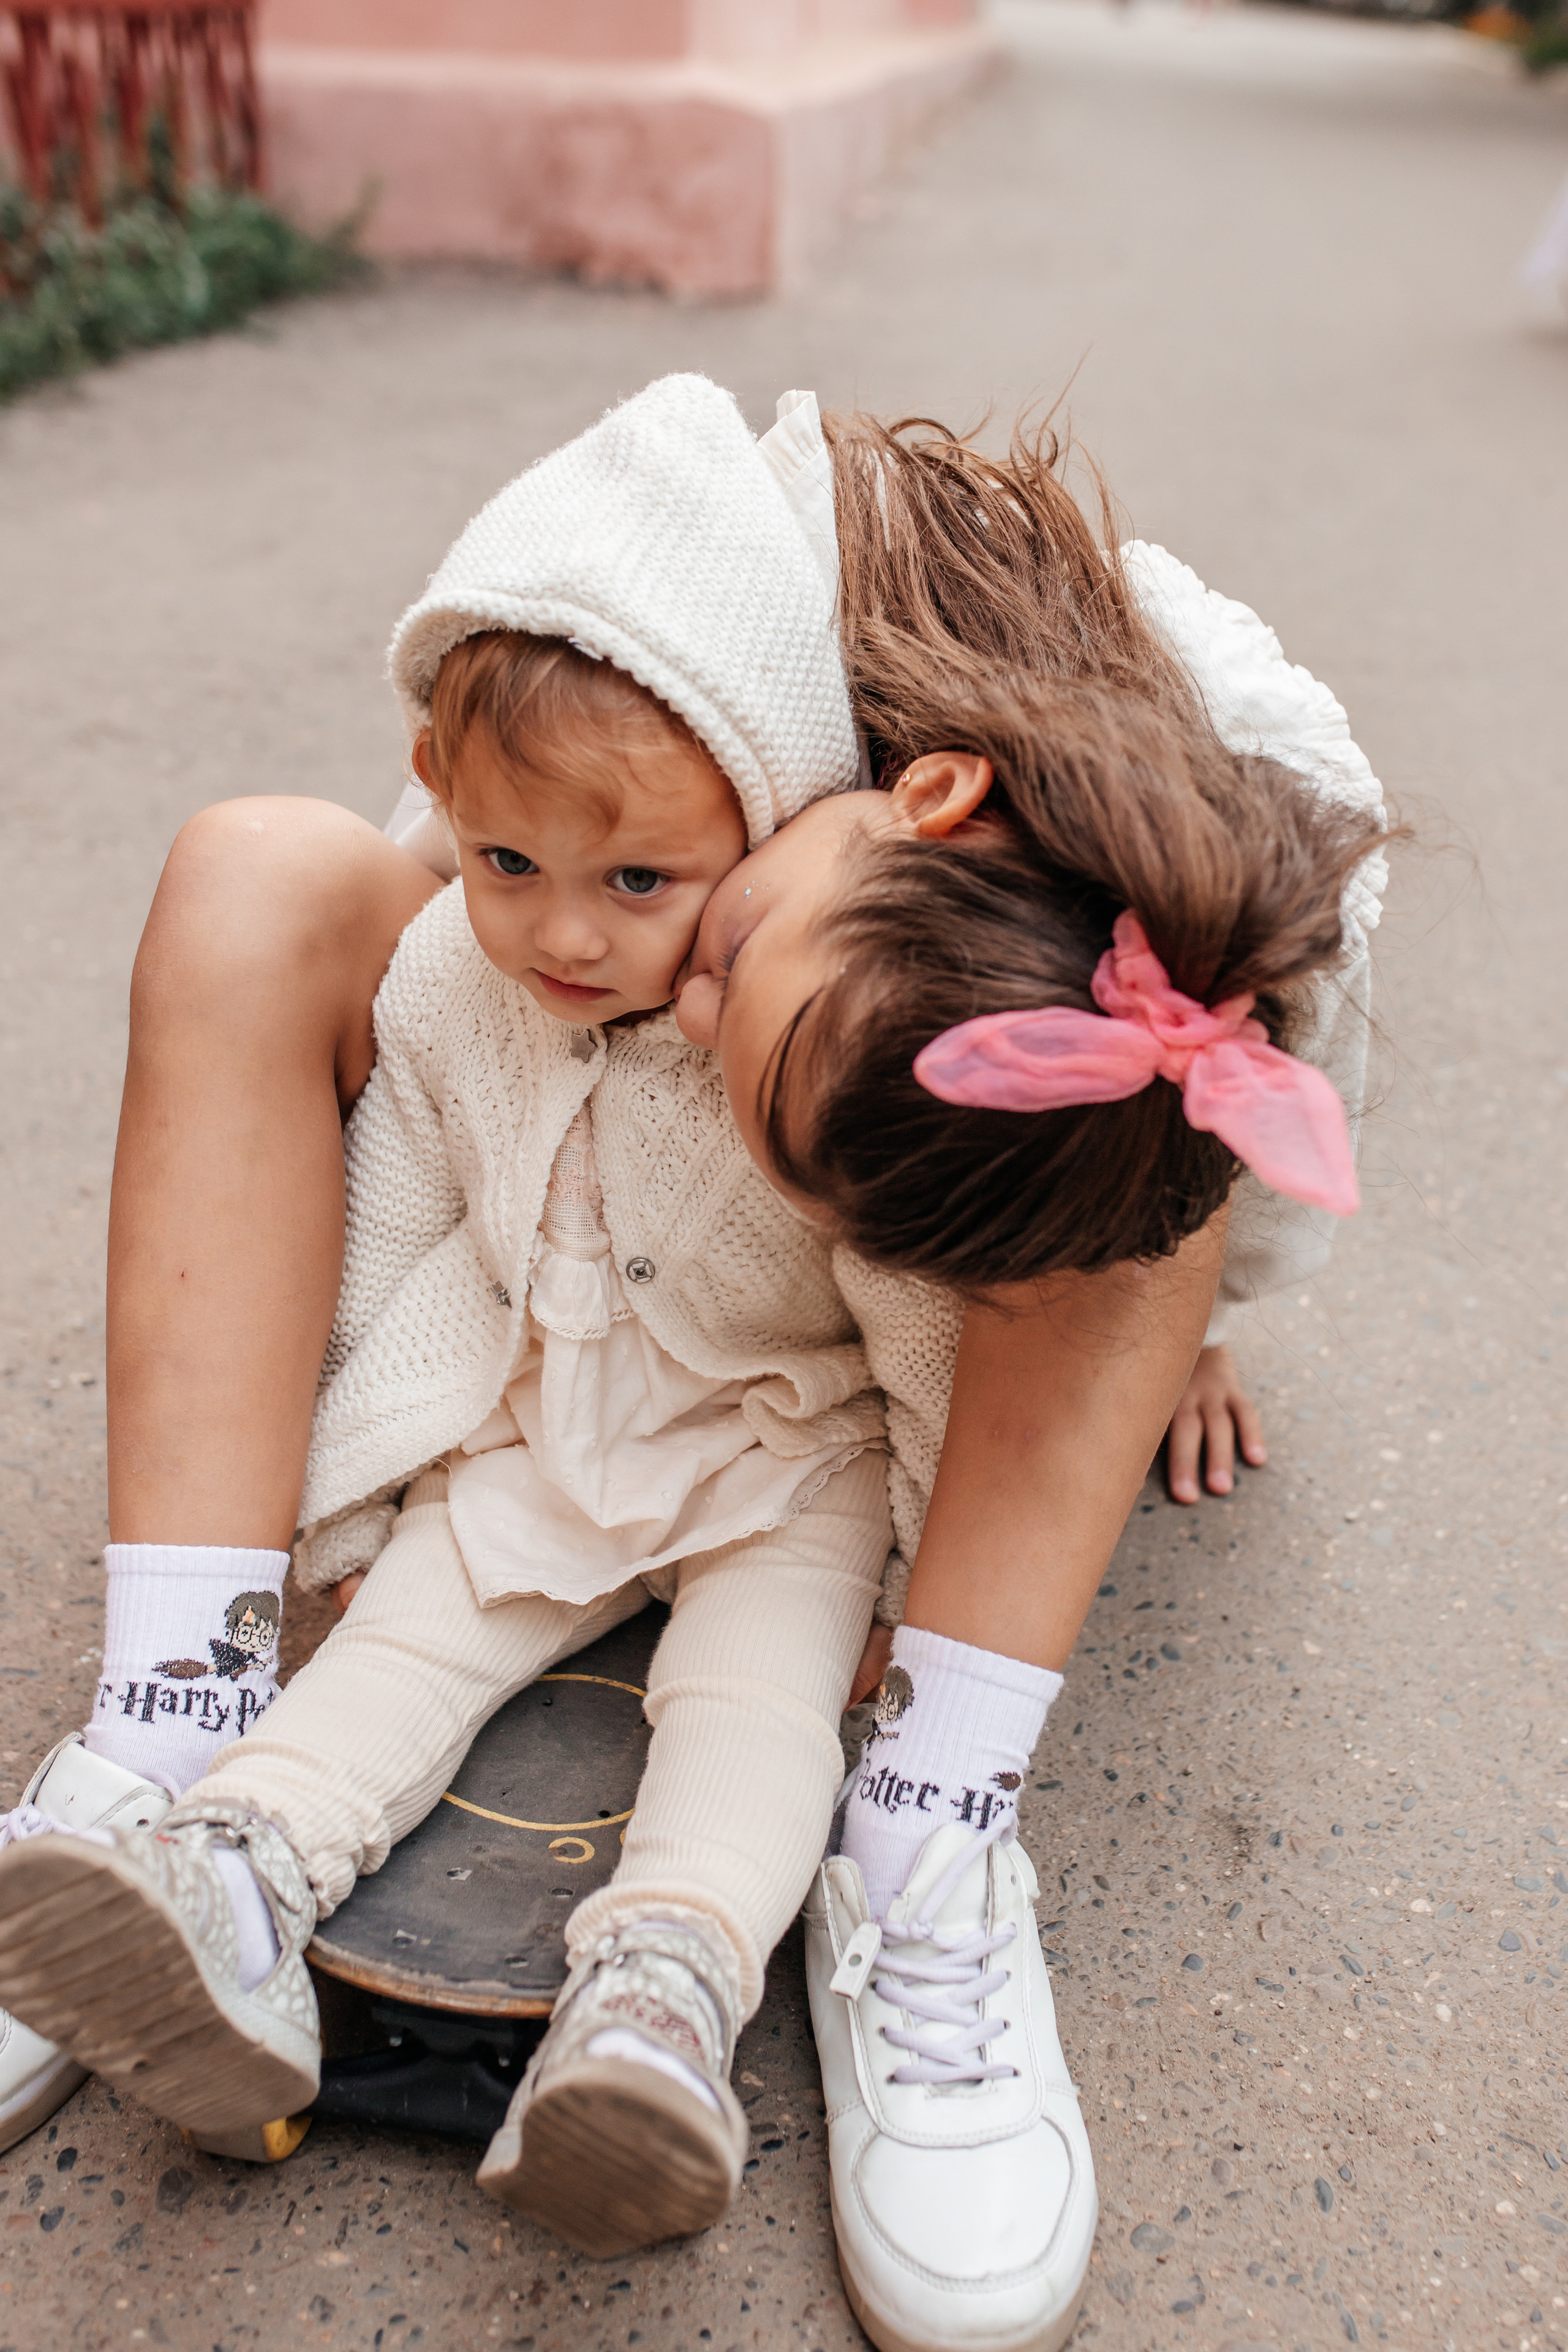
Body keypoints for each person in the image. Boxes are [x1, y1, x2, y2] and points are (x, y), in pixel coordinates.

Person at [0, 377, 1385, 2352]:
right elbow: (497, 827)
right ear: (926, 793)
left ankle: (914, 1839)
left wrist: (1208, 1325)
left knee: (1160, 1080)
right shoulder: (723, 590)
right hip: (568, 1341)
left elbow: (1249, 1101)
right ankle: (178, 1719)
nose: (678, 979)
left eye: (697, 947)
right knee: (248, 864)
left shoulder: (1220, 765)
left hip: (804, 1437)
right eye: (733, 968)